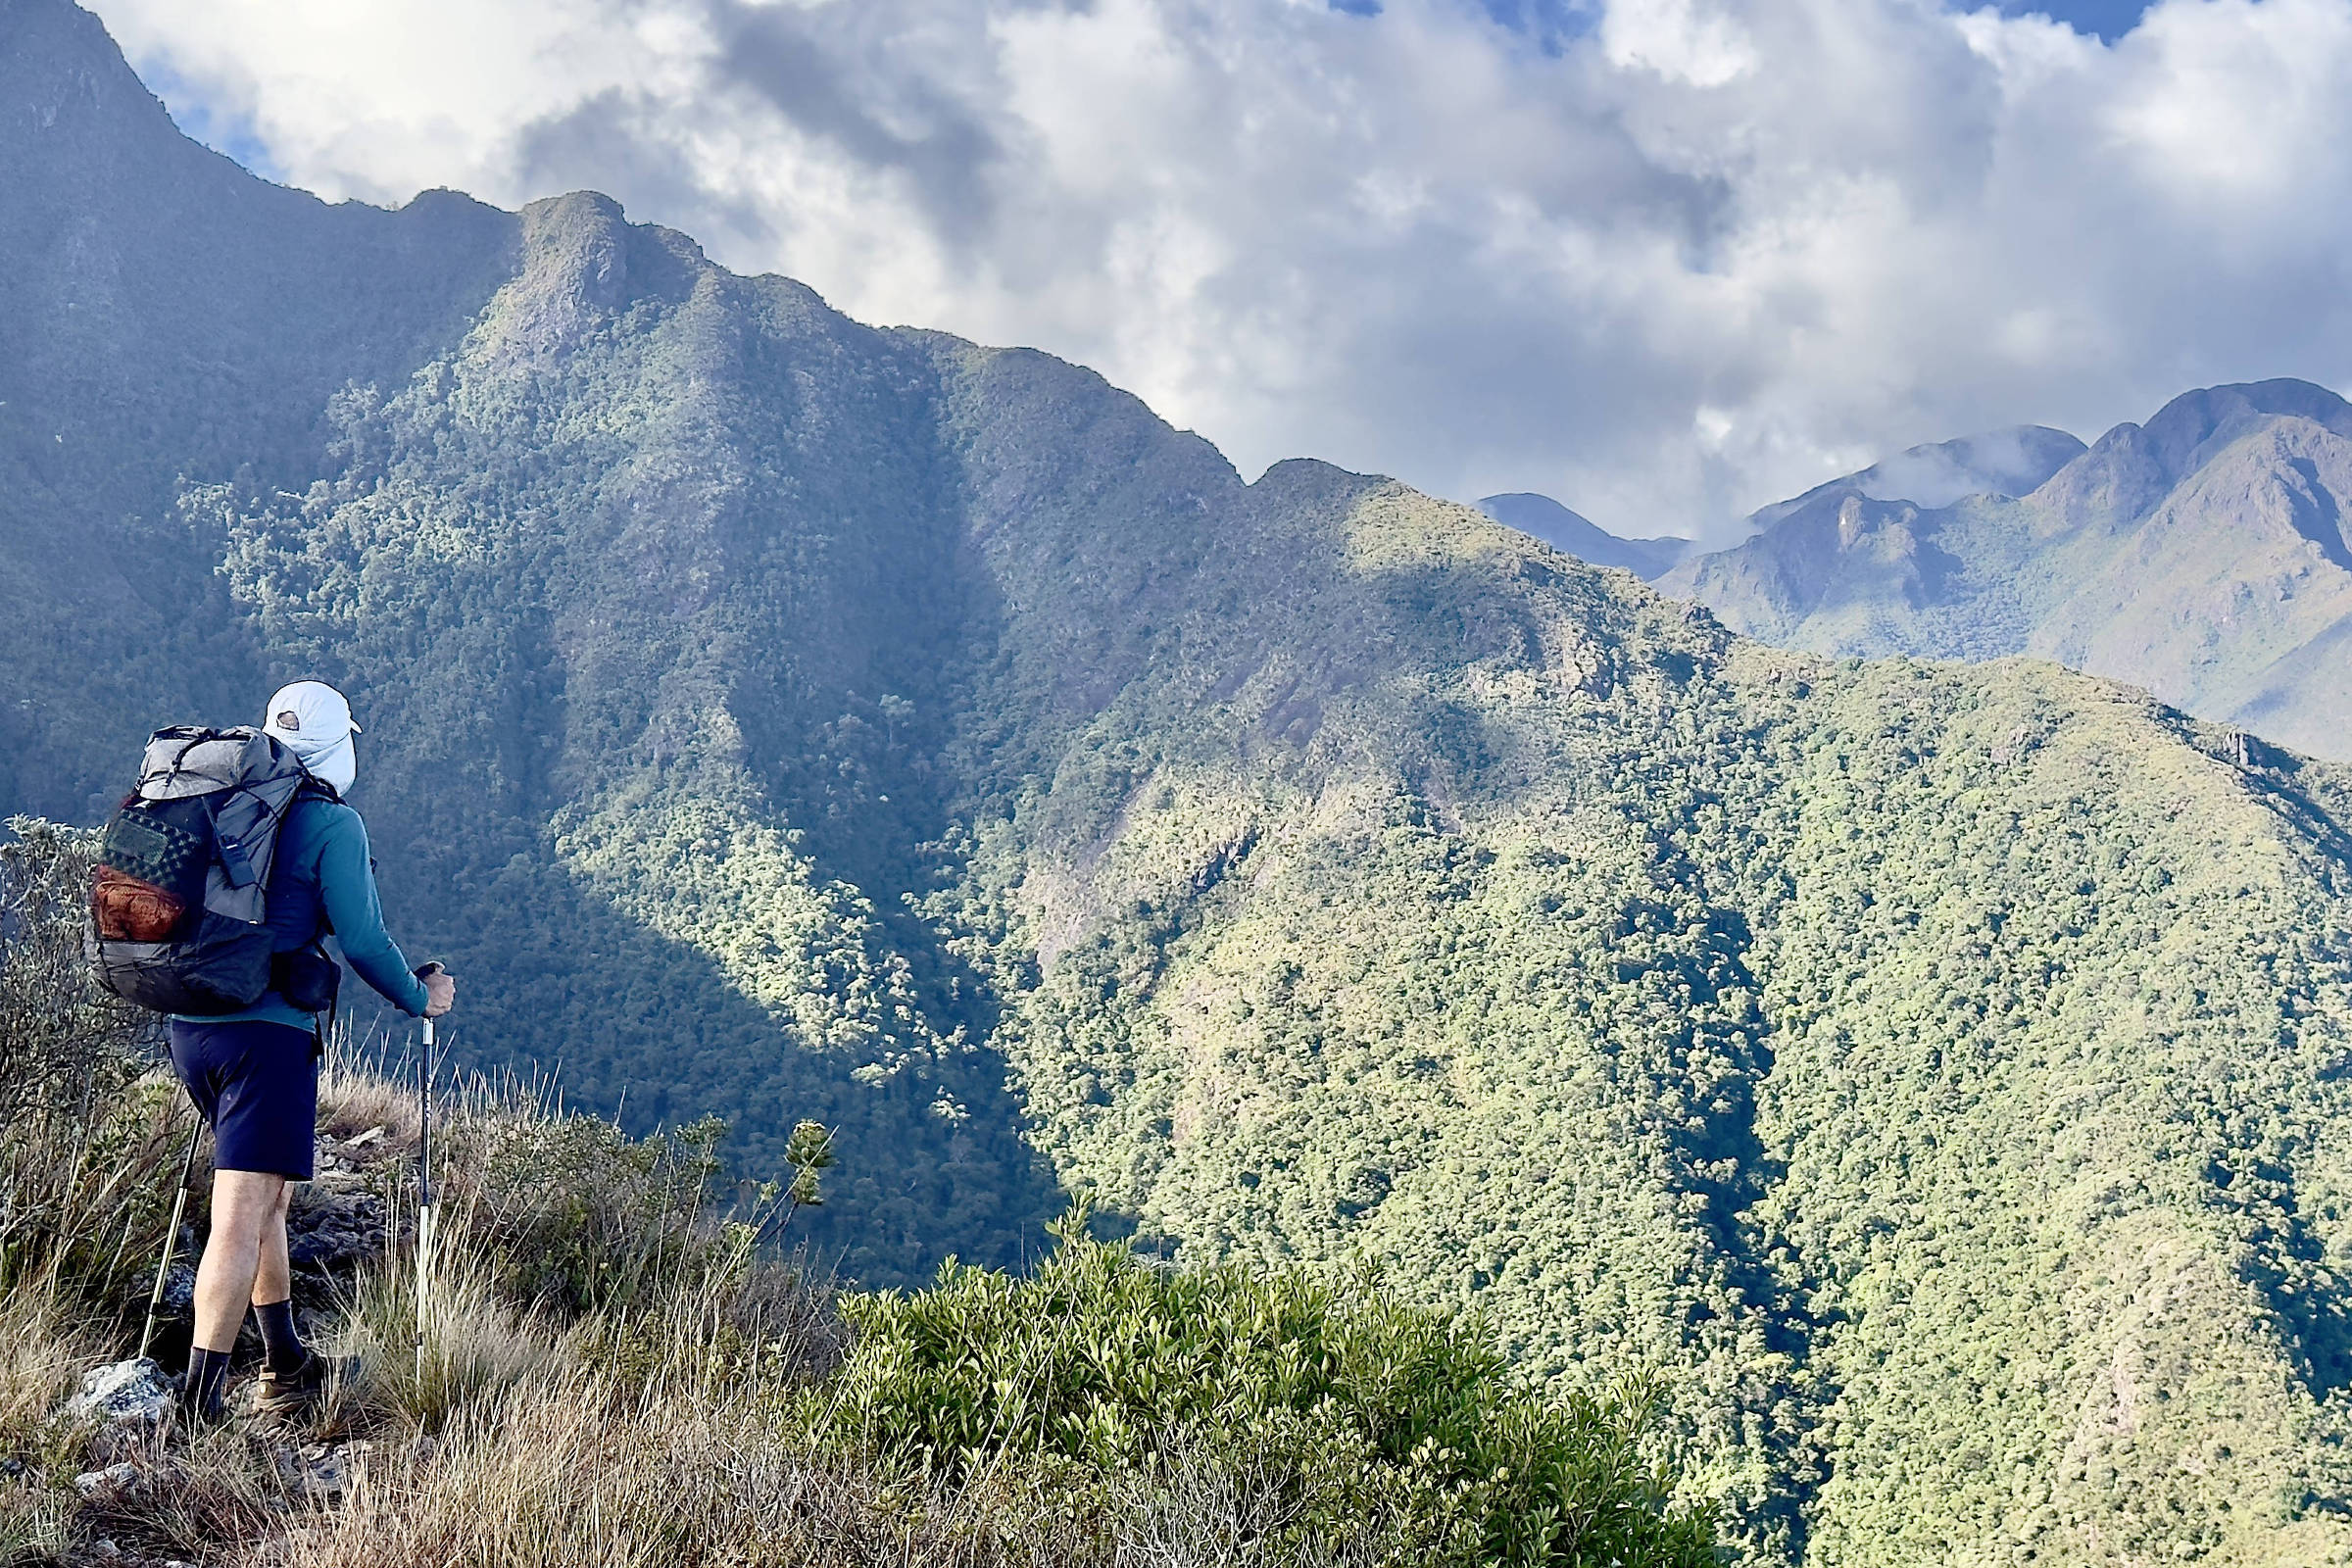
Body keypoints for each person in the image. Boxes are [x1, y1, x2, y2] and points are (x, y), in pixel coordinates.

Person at [168, 681, 455, 1422]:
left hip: (193, 1025)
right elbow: (362, 940)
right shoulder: (331, 824)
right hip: (266, 1039)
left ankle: (286, 1359)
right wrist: (422, 998)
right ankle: (196, 1408)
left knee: (270, 1197)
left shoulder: (219, 800)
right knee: (240, 1212)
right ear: (338, 746)